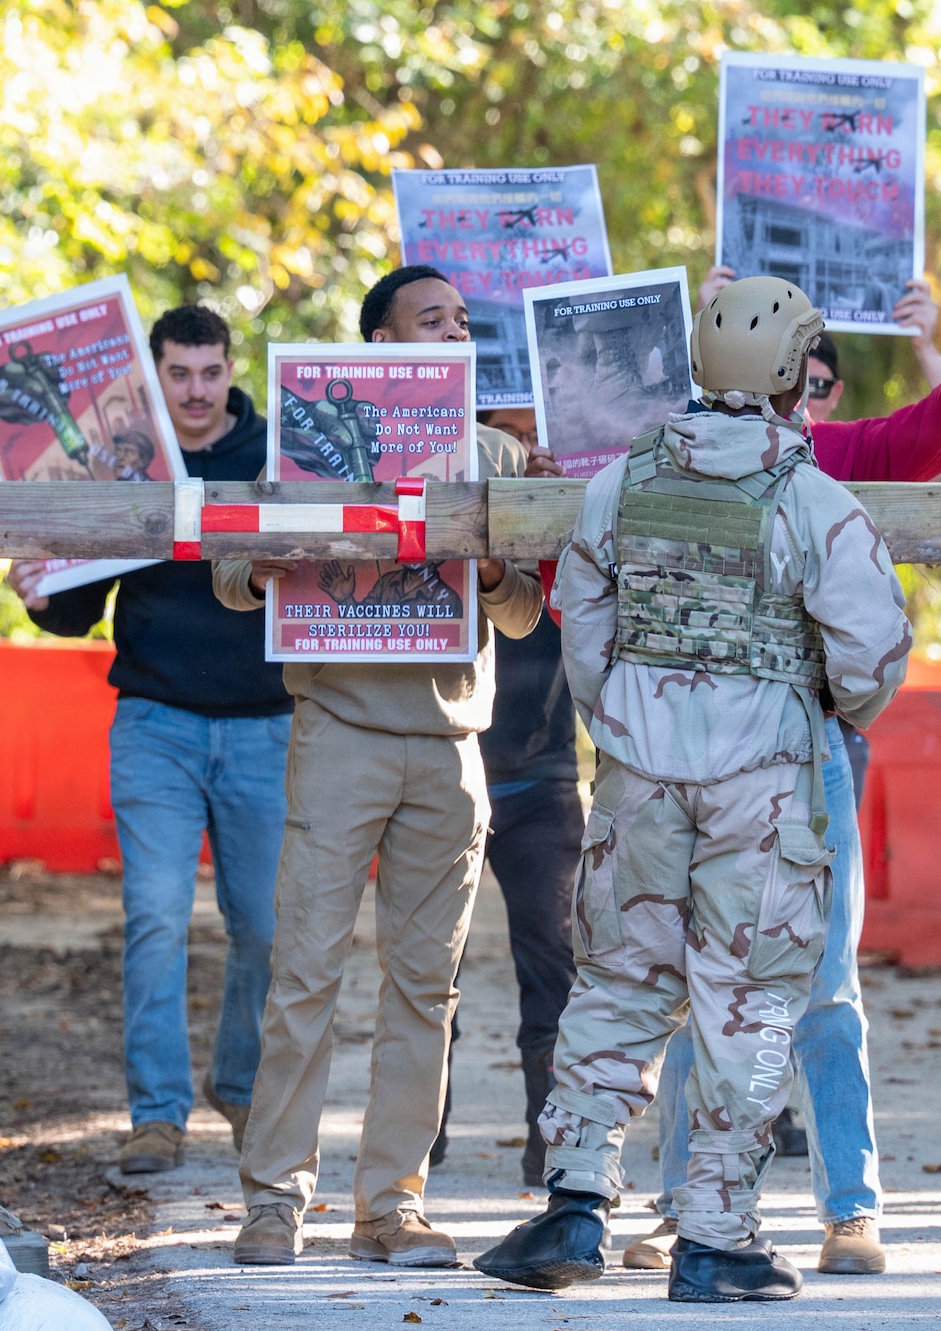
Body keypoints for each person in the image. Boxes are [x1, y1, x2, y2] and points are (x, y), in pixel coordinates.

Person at [473, 276, 911, 1303]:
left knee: (618, 981)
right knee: (749, 1002)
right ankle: (714, 1235)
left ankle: (575, 1202)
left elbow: (577, 613)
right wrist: (813, 702)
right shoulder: (809, 499)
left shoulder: (623, 481)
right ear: (795, 375)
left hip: (638, 774)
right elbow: (871, 657)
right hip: (761, 788)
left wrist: (626, 712)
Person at [623, 269, 941, 1277]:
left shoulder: (837, 454)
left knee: (824, 984)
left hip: (812, 752)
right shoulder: (668, 455)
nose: (785, 393)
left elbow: (928, 438)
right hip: (690, 754)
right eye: (765, 369)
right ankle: (680, 1207)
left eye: (802, 377)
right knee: (692, 981)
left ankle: (850, 1209)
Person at [217, 265, 547, 1268]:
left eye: (460, 321)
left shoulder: (500, 453)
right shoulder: (311, 428)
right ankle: (274, 1200)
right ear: (378, 343)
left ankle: (390, 1206)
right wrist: (261, 563)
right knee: (303, 970)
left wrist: (488, 562)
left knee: (426, 986)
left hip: (451, 749)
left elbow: (526, 609)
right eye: (429, 319)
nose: (452, 333)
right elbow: (234, 573)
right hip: (338, 735)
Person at [7, 304, 288, 1176]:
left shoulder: (279, 454)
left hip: (266, 727)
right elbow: (81, 600)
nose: (197, 390)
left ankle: (240, 1088)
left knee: (268, 927)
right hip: (155, 724)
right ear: (154, 373)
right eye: (179, 373)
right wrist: (43, 594)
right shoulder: (123, 457)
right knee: (155, 920)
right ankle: (156, 1114)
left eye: (211, 372)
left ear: (231, 368)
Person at [427, 404, 577, 1188]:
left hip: (543, 775)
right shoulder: (441, 490)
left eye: (536, 432)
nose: (527, 449)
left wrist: (558, 510)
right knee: (429, 964)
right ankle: (421, 1137)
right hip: (445, 759)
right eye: (508, 435)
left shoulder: (577, 503)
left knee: (555, 964)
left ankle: (549, 1137)